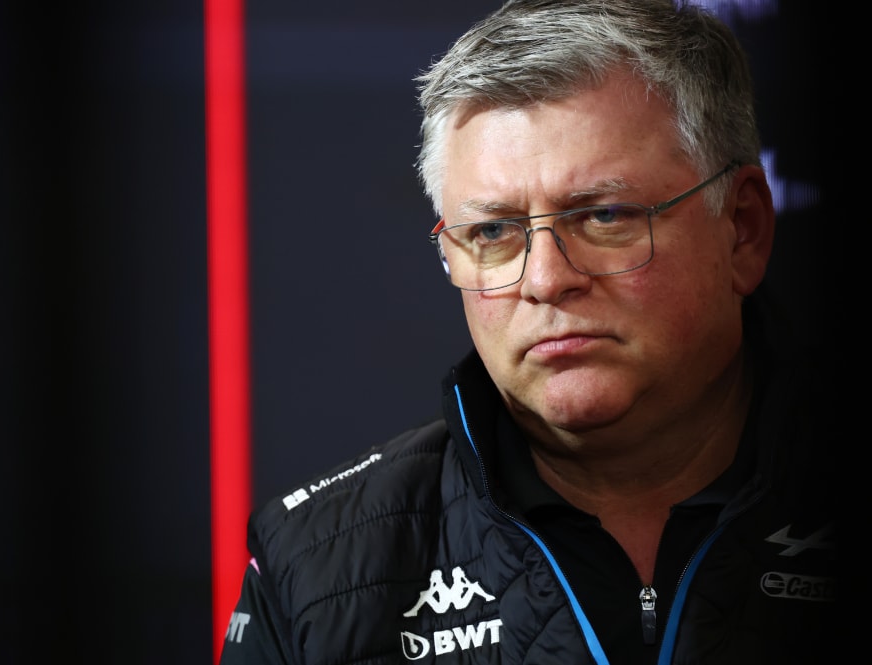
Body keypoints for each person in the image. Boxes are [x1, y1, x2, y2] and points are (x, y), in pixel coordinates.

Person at [218, 1, 844, 663]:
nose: (544, 278)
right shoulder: (312, 570)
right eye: (491, 232)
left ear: (741, 228)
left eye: (604, 215)